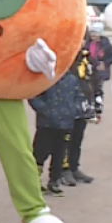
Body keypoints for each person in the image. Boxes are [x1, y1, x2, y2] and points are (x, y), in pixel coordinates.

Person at [29, 56, 85, 196]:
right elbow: (33, 96)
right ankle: (34, 181)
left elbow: (79, 97)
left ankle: (54, 181)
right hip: (46, 124)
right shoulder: (46, 80)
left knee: (59, 154)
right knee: (40, 153)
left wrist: (74, 109)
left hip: (65, 124)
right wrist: (44, 110)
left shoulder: (72, 80)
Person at [60, 47, 101, 186]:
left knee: (77, 139)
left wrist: (97, 106)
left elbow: (95, 81)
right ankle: (62, 170)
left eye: (84, 37)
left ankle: (74, 167)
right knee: (65, 139)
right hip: (67, 105)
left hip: (83, 106)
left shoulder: (88, 59)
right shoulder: (64, 57)